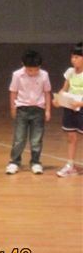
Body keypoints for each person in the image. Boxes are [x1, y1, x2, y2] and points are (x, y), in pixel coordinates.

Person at [6, 49, 52, 175]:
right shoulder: (17, 75)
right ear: (23, 65)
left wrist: (48, 110)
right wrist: (13, 108)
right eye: (30, 70)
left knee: (36, 139)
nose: (33, 72)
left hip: (38, 110)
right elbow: (13, 92)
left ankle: (36, 162)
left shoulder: (44, 75)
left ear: (40, 66)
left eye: (36, 69)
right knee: (19, 138)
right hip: (22, 109)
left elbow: (47, 92)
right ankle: (14, 162)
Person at [55, 42, 83, 177]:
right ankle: (70, 165)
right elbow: (64, 89)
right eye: (72, 57)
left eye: (77, 57)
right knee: (71, 136)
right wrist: (58, 99)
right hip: (70, 107)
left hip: (81, 108)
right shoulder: (70, 72)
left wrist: (81, 103)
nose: (73, 60)